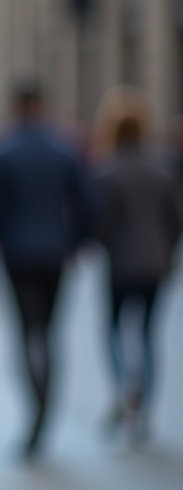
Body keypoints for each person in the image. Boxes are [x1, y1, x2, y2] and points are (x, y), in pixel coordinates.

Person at [0, 81, 92, 458]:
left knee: (27, 331)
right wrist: (75, 241)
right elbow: (87, 202)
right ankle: (46, 410)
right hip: (56, 250)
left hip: (17, 252)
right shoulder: (63, 149)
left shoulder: (2, 151)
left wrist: (5, 235)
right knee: (50, 331)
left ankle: (37, 410)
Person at [92, 96, 180, 442]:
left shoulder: (107, 172)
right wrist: (167, 252)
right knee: (147, 334)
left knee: (113, 329)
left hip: (120, 263)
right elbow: (175, 220)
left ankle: (120, 390)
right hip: (156, 263)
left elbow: (102, 223)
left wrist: (106, 246)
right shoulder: (162, 170)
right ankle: (143, 406)